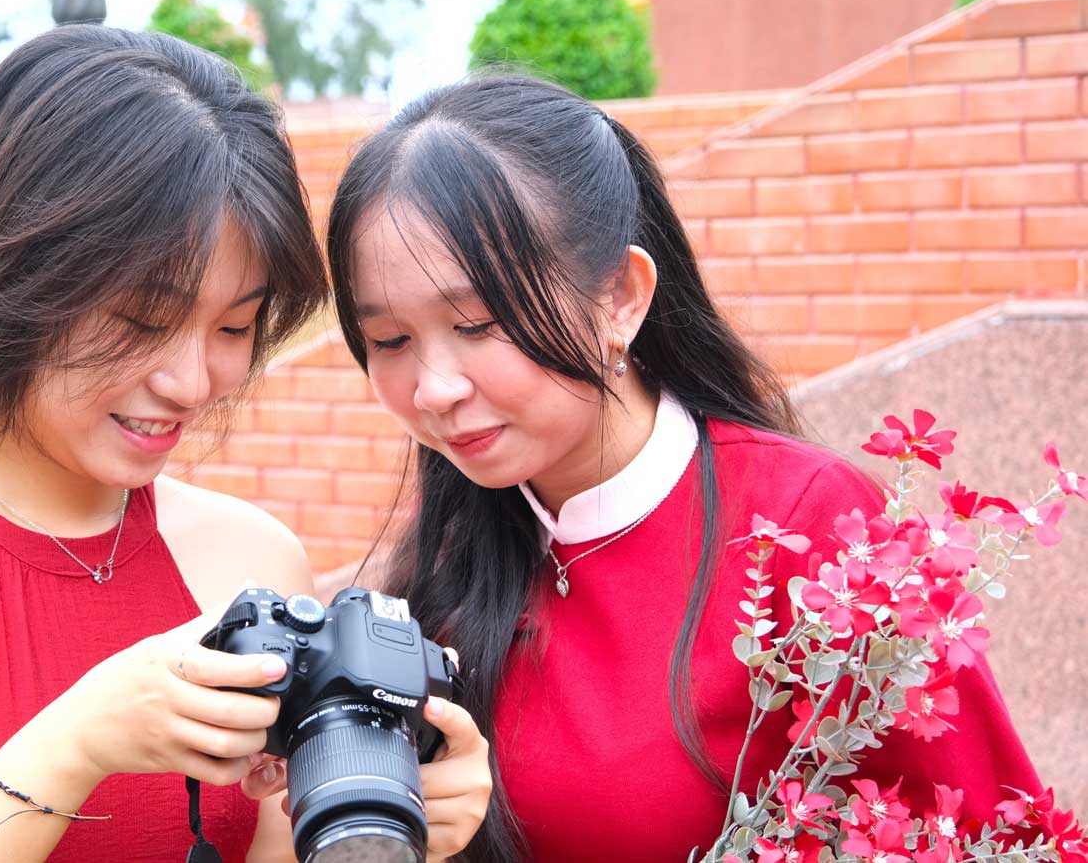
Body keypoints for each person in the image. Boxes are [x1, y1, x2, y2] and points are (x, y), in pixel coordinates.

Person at [0, 26, 490, 863]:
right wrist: (74, 748)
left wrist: (395, 830)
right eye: (141, 321)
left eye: (233, 325)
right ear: (22, 277)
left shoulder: (251, 558)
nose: (191, 380)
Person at [322, 72, 1042, 863]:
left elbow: (997, 837)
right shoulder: (452, 545)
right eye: (389, 341)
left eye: (476, 323)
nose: (433, 388)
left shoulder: (813, 529)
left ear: (621, 297)